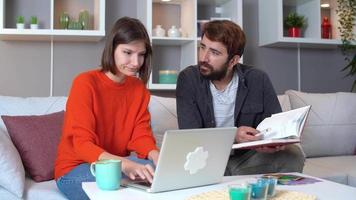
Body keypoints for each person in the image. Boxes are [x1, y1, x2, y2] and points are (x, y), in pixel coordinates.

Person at [176, 20, 305, 176]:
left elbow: (276, 126)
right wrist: (233, 136)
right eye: (202, 47)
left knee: (293, 154)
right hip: (208, 161)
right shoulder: (188, 79)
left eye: (214, 53)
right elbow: (190, 136)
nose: (204, 57)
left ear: (233, 61)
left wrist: (272, 143)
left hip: (247, 160)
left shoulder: (258, 79)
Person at [55, 17, 159, 200]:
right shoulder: (85, 83)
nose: (135, 62)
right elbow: (82, 145)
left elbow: (140, 135)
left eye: (141, 54)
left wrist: (155, 154)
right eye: (128, 52)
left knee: (156, 170)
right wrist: (125, 164)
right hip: (74, 169)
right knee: (126, 174)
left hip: (117, 166)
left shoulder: (138, 89)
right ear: (112, 49)